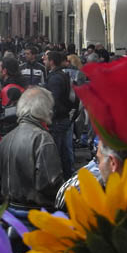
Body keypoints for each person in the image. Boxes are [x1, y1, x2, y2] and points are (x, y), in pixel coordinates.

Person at [0, 86, 64, 210]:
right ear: (45, 110)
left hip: (9, 212)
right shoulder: (43, 138)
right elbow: (50, 183)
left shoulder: (6, 139)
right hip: (35, 212)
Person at [44, 51, 74, 179]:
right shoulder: (62, 75)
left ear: (51, 62)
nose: (44, 61)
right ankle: (66, 176)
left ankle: (60, 179)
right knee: (64, 151)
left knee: (58, 152)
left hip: (58, 120)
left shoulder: (55, 78)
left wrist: (50, 116)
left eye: (45, 59)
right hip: (63, 118)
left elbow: (53, 100)